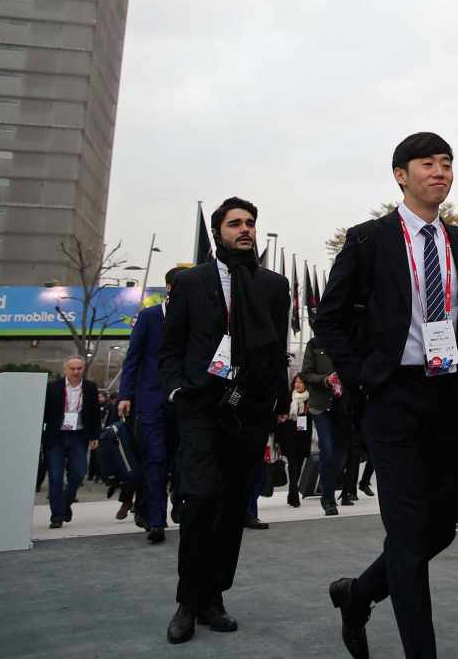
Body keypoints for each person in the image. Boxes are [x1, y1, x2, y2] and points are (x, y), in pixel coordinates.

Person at [317, 132, 458, 659]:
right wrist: (364, 375)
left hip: (448, 395)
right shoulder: (370, 239)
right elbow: (329, 318)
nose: (439, 172)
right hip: (393, 398)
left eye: (446, 164)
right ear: (401, 175)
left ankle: (359, 593)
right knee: (410, 530)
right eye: (426, 164)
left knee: (443, 521)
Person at [159, 196, 290, 643]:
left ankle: (214, 597)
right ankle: (187, 601)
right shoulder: (193, 283)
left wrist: (275, 403)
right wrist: (176, 389)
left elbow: (275, 352)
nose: (245, 229)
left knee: (233, 507)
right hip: (200, 406)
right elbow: (171, 346)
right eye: (235, 223)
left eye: (250, 223)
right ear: (219, 232)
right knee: (199, 501)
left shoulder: (273, 285)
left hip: (248, 410)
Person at [119, 266, 184, 544]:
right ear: (169, 288)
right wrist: (125, 395)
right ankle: (156, 521)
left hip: (183, 402)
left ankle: (171, 504)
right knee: (156, 458)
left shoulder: (195, 319)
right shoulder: (148, 317)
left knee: (179, 460)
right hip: (151, 400)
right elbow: (132, 358)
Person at [41, 355, 100, 529]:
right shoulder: (53, 387)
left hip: (78, 436)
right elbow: (44, 412)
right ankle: (57, 516)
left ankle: (66, 502)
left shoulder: (90, 388)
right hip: (56, 436)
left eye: (79, 368)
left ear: (84, 369)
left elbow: (95, 413)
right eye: (72, 368)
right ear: (65, 369)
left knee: (79, 473)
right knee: (55, 476)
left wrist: (95, 436)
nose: (76, 372)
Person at [301, 335, 344, 516]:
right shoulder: (314, 343)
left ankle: (331, 489)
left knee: (340, 453)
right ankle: (328, 498)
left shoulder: (347, 340)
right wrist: (325, 380)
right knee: (327, 449)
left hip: (343, 405)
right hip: (321, 405)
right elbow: (306, 373)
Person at [279, 374, 313, 508]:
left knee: (298, 465)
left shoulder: (309, 399)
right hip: (289, 435)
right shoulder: (289, 397)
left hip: (303, 436)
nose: (297, 385)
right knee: (293, 465)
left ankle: (291, 492)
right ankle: (294, 494)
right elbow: (282, 415)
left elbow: (310, 419)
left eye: (300, 382)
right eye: (296, 382)